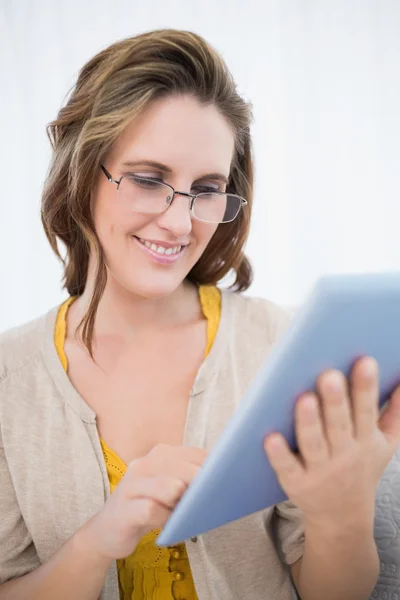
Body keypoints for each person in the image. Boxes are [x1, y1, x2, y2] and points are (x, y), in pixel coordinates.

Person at [0, 29, 399, 600]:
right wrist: (96, 542)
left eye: (206, 189)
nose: (180, 223)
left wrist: (343, 513)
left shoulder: (273, 342)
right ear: (82, 173)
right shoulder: (8, 379)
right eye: (148, 179)